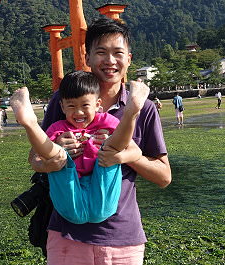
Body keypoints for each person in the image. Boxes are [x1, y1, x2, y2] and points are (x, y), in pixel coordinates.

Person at [30, 17, 170, 265]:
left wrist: (131, 155)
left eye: (118, 52)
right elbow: (34, 159)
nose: (110, 60)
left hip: (122, 235)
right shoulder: (66, 99)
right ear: (87, 57)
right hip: (67, 234)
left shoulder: (141, 108)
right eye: (101, 52)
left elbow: (164, 176)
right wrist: (58, 157)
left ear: (129, 58)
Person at [11, 71, 149, 225]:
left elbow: (136, 151)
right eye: (71, 106)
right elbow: (38, 154)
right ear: (62, 107)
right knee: (58, 156)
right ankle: (29, 123)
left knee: (110, 146)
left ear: (98, 105)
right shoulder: (59, 128)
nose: (78, 112)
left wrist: (115, 156)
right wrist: (56, 150)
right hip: (71, 190)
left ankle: (131, 113)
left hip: (98, 183)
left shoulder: (106, 122)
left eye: (85, 105)